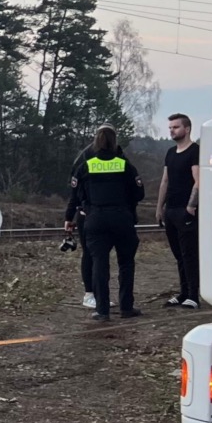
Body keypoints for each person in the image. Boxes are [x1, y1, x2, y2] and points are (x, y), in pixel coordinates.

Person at [66, 125, 146, 321]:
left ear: (96, 142)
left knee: (99, 264)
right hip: (121, 218)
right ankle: (126, 307)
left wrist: (69, 218)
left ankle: (102, 310)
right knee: (126, 263)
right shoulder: (125, 165)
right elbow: (139, 192)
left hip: (95, 220)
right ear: (114, 142)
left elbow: (75, 195)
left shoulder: (86, 166)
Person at [157, 113, 201, 308]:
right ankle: (183, 292)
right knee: (178, 254)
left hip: (186, 211)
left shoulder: (195, 151)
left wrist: (191, 206)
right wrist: (159, 207)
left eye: (175, 127)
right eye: (170, 128)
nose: (172, 130)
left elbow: (199, 180)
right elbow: (165, 181)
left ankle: (193, 295)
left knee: (189, 253)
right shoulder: (170, 153)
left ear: (187, 129)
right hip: (171, 210)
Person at [67, 135, 98, 309]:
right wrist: (69, 216)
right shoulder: (84, 159)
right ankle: (89, 294)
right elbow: (74, 193)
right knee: (90, 254)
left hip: (99, 213)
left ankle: (98, 293)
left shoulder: (115, 156)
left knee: (99, 257)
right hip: (86, 213)